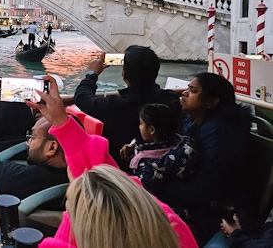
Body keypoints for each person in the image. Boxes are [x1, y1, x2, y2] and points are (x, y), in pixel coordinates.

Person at [25, 75, 198, 248]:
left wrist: (71, 220)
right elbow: (115, 186)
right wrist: (61, 122)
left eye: (72, 203)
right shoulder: (169, 227)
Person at [158, 72, 252, 247]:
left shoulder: (221, 134)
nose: (184, 93)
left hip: (221, 214)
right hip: (202, 205)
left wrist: (161, 186)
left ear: (211, 102)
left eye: (192, 91)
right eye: (187, 88)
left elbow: (206, 188)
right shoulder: (196, 124)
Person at [73, 46, 180, 172]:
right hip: (167, 168)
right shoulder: (171, 99)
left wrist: (92, 74)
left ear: (124, 75)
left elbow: (82, 97)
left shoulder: (114, 106)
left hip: (122, 172)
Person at [119, 103, 197, 195]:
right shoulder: (186, 144)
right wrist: (134, 144)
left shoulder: (148, 167)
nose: (139, 127)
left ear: (152, 130)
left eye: (141, 124)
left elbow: (139, 192)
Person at [0, 116, 69, 201]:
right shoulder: (75, 179)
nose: (28, 143)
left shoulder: (32, 179)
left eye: (33, 137)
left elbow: (3, 175)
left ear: (51, 148)